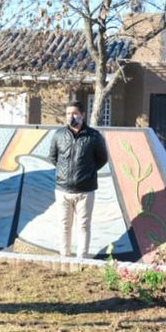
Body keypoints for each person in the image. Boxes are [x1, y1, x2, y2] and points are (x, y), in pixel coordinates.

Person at [49, 100, 109, 258]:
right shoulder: (58, 135)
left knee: (83, 225)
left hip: (85, 191)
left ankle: (82, 258)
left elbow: (102, 159)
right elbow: (53, 157)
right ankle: (64, 256)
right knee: (64, 225)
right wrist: (64, 174)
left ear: (83, 114)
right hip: (62, 190)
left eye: (74, 113)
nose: (71, 117)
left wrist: (86, 172)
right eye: (68, 114)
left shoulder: (94, 136)